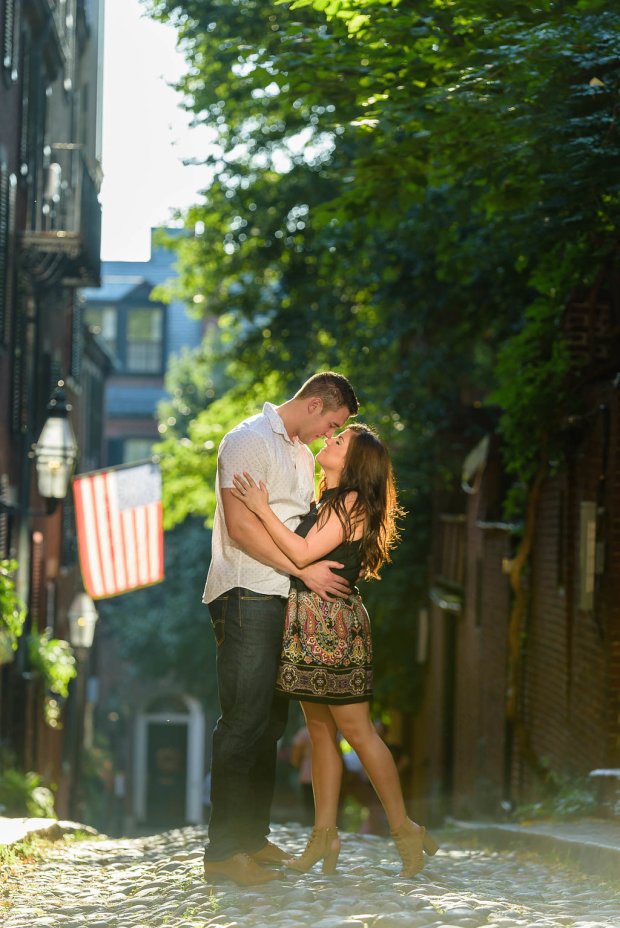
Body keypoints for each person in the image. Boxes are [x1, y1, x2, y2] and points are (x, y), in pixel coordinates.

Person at [231, 422, 439, 879]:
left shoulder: (351, 502)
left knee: (358, 732)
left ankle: (405, 831)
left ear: (355, 462)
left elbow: (303, 554)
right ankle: (324, 837)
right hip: (309, 620)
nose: (331, 440)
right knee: (320, 732)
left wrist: (261, 509)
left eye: (340, 441)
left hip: (334, 624)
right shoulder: (332, 500)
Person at [201, 372, 359, 887]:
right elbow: (242, 527)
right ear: (315, 404)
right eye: (331, 424)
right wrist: (303, 570)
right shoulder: (247, 440)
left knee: (269, 724)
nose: (327, 436)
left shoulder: (301, 455)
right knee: (243, 720)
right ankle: (223, 849)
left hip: (283, 597)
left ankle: (251, 838)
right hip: (246, 592)